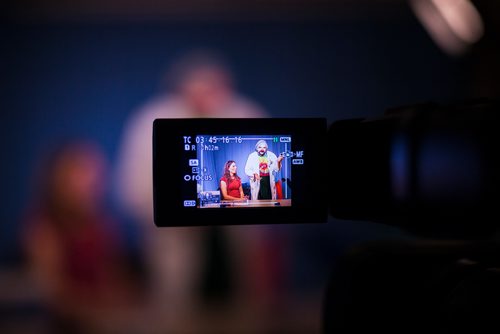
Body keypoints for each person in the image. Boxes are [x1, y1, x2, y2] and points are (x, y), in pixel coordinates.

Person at [114, 49, 268, 327]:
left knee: (239, 316)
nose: (206, 101)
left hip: (235, 244)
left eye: (214, 91)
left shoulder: (247, 114)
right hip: (175, 246)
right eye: (195, 93)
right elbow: (130, 190)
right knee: (176, 318)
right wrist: (184, 212)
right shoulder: (149, 120)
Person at [21, 140, 143, 334]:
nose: (93, 181)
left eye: (96, 173)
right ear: (59, 179)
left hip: (106, 321)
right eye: (82, 173)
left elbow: (113, 276)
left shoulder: (104, 222)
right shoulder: (44, 228)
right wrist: (98, 306)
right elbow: (52, 294)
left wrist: (125, 298)